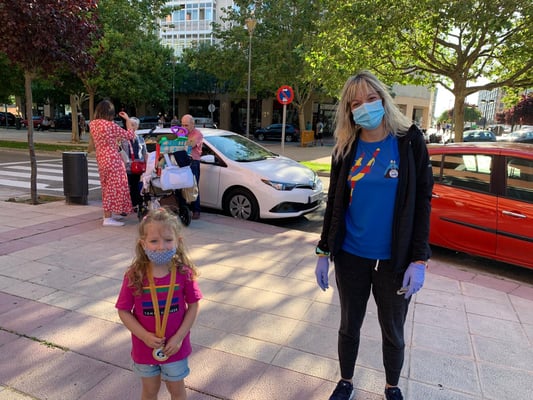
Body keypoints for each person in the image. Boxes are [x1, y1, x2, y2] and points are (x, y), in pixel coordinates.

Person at [314, 71, 433, 400]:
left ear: (383, 99)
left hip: (395, 261)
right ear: (349, 110)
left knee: (393, 330)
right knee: (348, 325)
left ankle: (392, 386)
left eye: (370, 99)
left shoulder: (409, 141)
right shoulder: (345, 148)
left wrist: (419, 259)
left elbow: (423, 202)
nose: (364, 107)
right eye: (356, 103)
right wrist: (324, 251)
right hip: (351, 256)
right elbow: (334, 202)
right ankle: (346, 382)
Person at [116, 208, 202, 400]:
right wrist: (144, 336)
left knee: (177, 390)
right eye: (154, 241)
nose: (161, 247)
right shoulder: (134, 275)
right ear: (143, 243)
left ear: (178, 241)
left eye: (168, 240)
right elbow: (123, 311)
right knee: (149, 390)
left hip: (175, 348)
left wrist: (179, 338)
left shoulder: (184, 273)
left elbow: (194, 306)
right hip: (144, 348)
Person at [89, 100, 136, 227]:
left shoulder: (93, 124)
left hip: (101, 158)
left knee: (106, 187)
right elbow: (130, 135)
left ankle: (108, 214)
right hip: (113, 159)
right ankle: (108, 218)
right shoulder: (111, 125)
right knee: (117, 186)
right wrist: (127, 120)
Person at [120, 117, 147, 213]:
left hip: (138, 167)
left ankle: (135, 204)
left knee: (135, 186)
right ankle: (125, 206)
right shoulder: (123, 138)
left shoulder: (141, 139)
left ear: (137, 127)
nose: (131, 127)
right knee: (126, 187)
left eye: (133, 125)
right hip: (127, 166)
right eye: (130, 124)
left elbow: (144, 152)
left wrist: (147, 164)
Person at [181, 114, 203, 220]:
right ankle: (184, 208)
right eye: (182, 125)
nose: (184, 127)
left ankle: (196, 210)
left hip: (193, 162)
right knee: (181, 186)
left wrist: (182, 139)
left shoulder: (197, 134)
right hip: (183, 161)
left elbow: (191, 144)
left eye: (186, 125)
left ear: (192, 124)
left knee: (193, 186)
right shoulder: (181, 133)